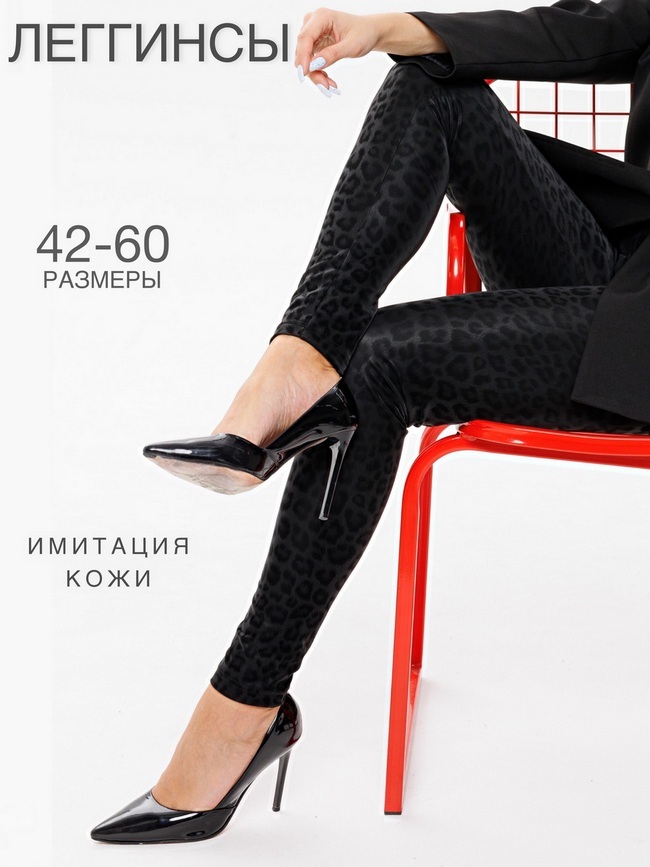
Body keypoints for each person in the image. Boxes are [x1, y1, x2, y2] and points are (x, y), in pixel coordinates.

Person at [91, 1, 650, 844]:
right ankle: (294, 360)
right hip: (616, 265)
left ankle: (241, 710)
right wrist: (383, 27)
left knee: (373, 369)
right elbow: (584, 29)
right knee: (429, 85)